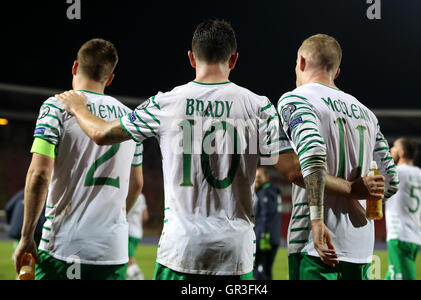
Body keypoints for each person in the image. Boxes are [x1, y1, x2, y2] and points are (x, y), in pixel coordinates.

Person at [55, 21, 385, 280]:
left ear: (191, 57)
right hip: (235, 252)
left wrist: (79, 108)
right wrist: (350, 188)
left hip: (180, 250)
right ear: (234, 59)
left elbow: (100, 135)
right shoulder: (260, 106)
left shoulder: (165, 102)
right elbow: (298, 172)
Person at [14, 38, 144, 280]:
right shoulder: (130, 118)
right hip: (112, 250)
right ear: (110, 78)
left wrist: (26, 236)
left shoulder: (55, 107)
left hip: (63, 246)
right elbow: (137, 184)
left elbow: (39, 174)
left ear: (75, 67)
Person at [278, 34, 399, 280]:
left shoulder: (296, 99)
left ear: (301, 62)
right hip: (360, 248)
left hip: (316, 245)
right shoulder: (367, 114)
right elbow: (391, 182)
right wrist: (363, 192)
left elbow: (310, 159)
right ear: (337, 71)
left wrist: (317, 220)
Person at [385, 138, 421, 280]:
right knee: (392, 275)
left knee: (401, 277)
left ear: (402, 153)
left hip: (398, 236)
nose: (391, 149)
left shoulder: (395, 173)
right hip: (415, 237)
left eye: (394, 147)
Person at [253, 167, 282, 280]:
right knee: (266, 270)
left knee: (260, 270)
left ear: (267, 177)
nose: (257, 180)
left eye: (259, 177)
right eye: (255, 177)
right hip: (272, 236)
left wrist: (264, 237)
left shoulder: (266, 192)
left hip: (265, 238)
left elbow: (266, 216)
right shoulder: (273, 191)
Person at [127, 193, 149, 280]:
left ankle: (139, 277)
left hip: (128, 232)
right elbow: (145, 216)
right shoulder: (141, 196)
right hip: (138, 232)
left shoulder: (126, 194)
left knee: (130, 261)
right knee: (129, 260)